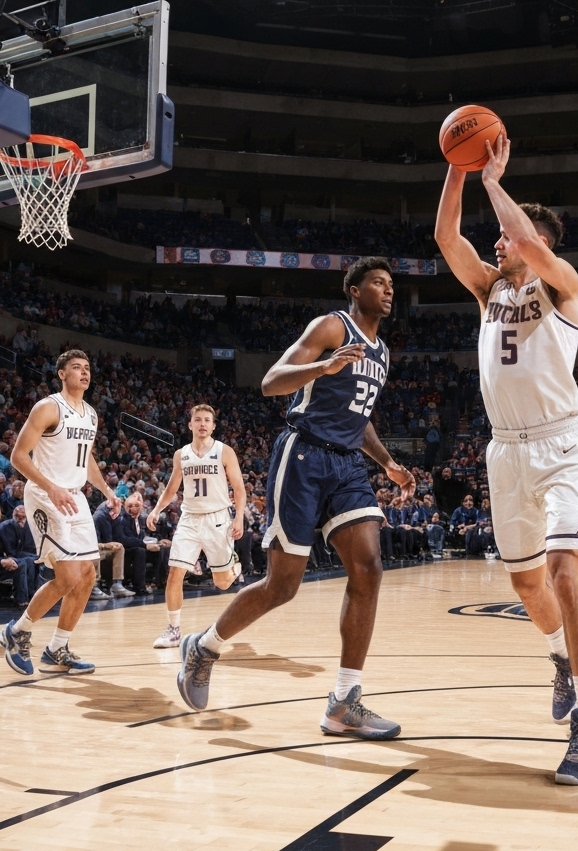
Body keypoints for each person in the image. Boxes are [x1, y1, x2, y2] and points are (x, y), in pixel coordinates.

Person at [176, 257, 415, 742]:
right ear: (354, 289)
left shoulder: (383, 351)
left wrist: (386, 461)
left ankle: (344, 701)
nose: (388, 290)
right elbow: (271, 382)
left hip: (348, 465)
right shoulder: (332, 325)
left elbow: (359, 414)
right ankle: (204, 648)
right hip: (303, 456)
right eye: (378, 282)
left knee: (368, 567)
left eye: (392, 285)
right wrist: (323, 365)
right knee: (282, 586)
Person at [436, 135, 578, 785]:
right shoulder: (488, 291)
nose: (497, 243)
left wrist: (492, 181)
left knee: (566, 569)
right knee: (527, 585)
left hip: (562, 444)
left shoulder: (563, 288)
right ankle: (561, 657)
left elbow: (530, 245)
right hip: (504, 452)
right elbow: (448, 239)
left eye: (507, 236)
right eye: (500, 236)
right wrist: (458, 170)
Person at [0, 349, 119, 677]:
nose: (84, 372)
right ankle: (18, 631)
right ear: (62, 374)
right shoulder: (48, 407)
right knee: (67, 576)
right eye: (76, 367)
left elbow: (86, 459)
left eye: (87, 367)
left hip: (75, 497)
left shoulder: (91, 414)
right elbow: (18, 456)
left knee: (88, 575)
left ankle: (57, 649)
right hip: (45, 495)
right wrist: (51, 487)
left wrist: (107, 491)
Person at [147, 403, 247, 648]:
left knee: (222, 583)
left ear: (213, 426)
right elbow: (172, 488)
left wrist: (239, 517)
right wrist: (156, 510)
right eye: (198, 419)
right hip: (189, 519)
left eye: (207, 420)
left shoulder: (224, 451)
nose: (202, 424)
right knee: (174, 573)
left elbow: (239, 488)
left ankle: (234, 565)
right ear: (190, 424)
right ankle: (173, 630)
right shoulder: (181, 454)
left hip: (218, 518)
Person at [92, 499, 133, 599]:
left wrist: (114, 544)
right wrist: (107, 545)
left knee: (120, 548)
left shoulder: (114, 516)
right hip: (94, 549)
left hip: (105, 549)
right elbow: (93, 544)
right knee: (95, 552)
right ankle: (93, 587)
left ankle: (117, 584)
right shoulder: (98, 517)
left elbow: (120, 536)